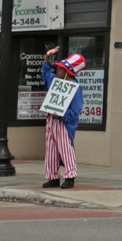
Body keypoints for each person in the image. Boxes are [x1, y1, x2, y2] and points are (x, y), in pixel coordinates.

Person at [40, 48, 85, 188]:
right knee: (51, 150)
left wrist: (62, 115)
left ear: (68, 72)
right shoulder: (55, 80)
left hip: (64, 123)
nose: (57, 71)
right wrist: (47, 57)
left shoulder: (75, 87)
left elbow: (76, 110)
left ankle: (70, 176)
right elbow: (45, 73)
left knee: (66, 150)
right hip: (51, 120)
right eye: (58, 69)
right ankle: (53, 177)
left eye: (60, 69)